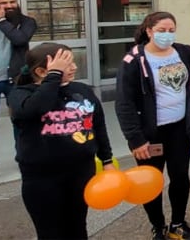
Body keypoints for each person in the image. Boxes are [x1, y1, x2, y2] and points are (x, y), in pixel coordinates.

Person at [116, 11, 190, 240]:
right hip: (150, 133)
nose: (167, 35)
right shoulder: (134, 60)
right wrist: (135, 139)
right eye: (161, 31)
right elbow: (124, 103)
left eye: (171, 30)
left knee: (180, 177)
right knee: (150, 182)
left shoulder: (183, 52)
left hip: (179, 129)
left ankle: (178, 223)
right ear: (149, 31)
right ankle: (158, 226)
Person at [10, 43, 113, 239]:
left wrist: (106, 160)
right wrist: (54, 77)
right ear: (41, 71)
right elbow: (34, 109)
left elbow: (97, 126)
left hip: (81, 172)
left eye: (72, 61)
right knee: (51, 232)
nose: (74, 67)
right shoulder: (21, 94)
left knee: (77, 227)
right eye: (67, 64)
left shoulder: (82, 90)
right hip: (42, 178)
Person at [0, 0, 36, 179]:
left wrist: (1, 21)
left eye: (12, 2)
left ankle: (25, 161)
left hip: (16, 80)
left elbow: (20, 40)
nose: (10, 6)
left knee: (21, 123)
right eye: (3, 3)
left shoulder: (26, 22)